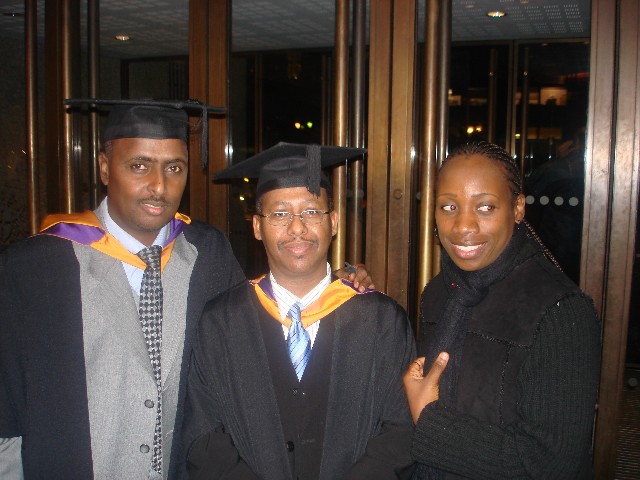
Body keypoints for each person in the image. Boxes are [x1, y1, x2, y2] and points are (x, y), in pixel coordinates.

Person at [0, 103, 372, 480]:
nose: (159, 186)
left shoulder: (208, 252)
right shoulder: (34, 269)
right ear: (104, 167)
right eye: (139, 166)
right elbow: (6, 415)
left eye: (175, 168)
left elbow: (256, 334)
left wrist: (329, 289)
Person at [183, 142, 416, 479]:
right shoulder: (220, 323)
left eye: (311, 212)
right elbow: (204, 437)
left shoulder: (383, 322)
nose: (297, 228)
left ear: (333, 222)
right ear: (257, 226)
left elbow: (400, 431)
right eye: (279, 214)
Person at [403, 141, 601, 479]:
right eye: (449, 206)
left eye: (485, 207)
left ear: (518, 208)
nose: (463, 226)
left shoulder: (561, 312)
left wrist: (429, 421)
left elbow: (552, 464)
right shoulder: (438, 294)